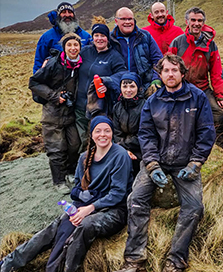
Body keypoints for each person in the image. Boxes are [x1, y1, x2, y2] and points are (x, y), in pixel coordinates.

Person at [115, 54, 215, 272]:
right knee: (136, 199)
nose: (170, 74)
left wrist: (195, 163)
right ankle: (134, 259)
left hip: (185, 163)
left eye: (174, 70)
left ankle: (176, 260)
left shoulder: (197, 98)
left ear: (182, 73)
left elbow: (206, 133)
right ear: (160, 74)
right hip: (157, 162)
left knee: (194, 206)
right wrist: (151, 165)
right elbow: (146, 135)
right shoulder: (153, 101)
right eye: (166, 70)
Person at [0, 116, 132, 272]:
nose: (102, 135)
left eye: (107, 131)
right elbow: (76, 188)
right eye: (98, 131)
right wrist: (79, 204)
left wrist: (89, 209)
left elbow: (118, 193)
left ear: (112, 133)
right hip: (85, 205)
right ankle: (8, 263)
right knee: (55, 227)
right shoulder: (84, 157)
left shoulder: (120, 155)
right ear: (91, 134)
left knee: (85, 226)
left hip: (113, 211)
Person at [168, 7, 223, 152]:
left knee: (221, 117)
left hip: (203, 89)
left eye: (200, 20)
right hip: (181, 89)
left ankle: (221, 151)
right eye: (193, 20)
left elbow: (216, 72)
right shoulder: (177, 43)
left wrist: (220, 96)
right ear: (187, 22)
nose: (196, 23)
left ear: (203, 23)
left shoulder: (211, 45)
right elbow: (169, 68)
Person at [29, 33, 84, 190]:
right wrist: (54, 96)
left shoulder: (80, 64)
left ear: (80, 47)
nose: (73, 48)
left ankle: (71, 172)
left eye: (76, 45)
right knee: (56, 147)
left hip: (70, 113)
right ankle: (58, 181)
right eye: (69, 45)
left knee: (75, 144)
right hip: (52, 113)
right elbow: (34, 82)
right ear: (64, 47)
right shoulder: (54, 64)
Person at [75, 18, 127, 149]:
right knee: (81, 141)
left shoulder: (114, 56)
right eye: (96, 36)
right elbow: (68, 58)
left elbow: (122, 74)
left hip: (100, 107)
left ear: (107, 38)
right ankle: (83, 166)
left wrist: (107, 81)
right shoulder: (85, 51)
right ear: (92, 37)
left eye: (102, 36)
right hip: (80, 105)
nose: (99, 39)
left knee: (98, 142)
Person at [109, 7, 163, 90]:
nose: (127, 22)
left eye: (130, 19)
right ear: (116, 21)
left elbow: (158, 60)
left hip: (144, 87)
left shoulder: (145, 36)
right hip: (118, 89)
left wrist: (156, 79)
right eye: (123, 19)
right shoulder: (109, 39)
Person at [33, 2, 91, 73]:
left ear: (74, 15)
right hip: (55, 80)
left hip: (80, 79)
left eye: (70, 12)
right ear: (58, 15)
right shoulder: (47, 37)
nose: (67, 15)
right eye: (63, 12)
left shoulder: (86, 36)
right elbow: (39, 61)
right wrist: (37, 80)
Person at [112, 72, 146, 176]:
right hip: (122, 148)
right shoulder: (117, 107)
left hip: (141, 149)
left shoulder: (145, 106)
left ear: (138, 88)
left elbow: (143, 134)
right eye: (124, 86)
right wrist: (123, 149)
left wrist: (122, 146)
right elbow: (116, 133)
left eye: (132, 86)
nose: (128, 90)